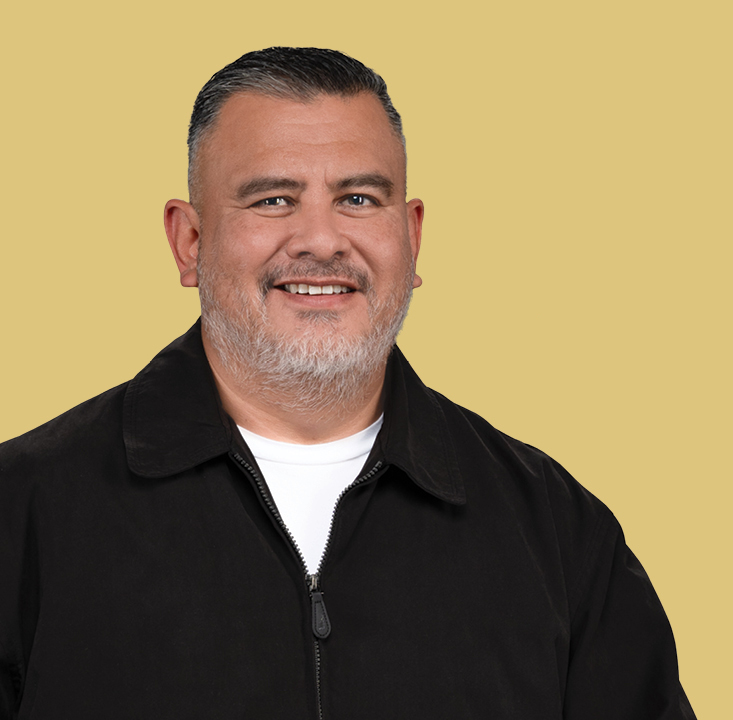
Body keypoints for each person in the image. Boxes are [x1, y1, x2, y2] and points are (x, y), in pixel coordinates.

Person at [0, 47, 695, 719]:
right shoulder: (21, 514)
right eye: (273, 199)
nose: (322, 240)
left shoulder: (557, 531)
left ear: (412, 238)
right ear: (189, 242)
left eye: (358, 198)